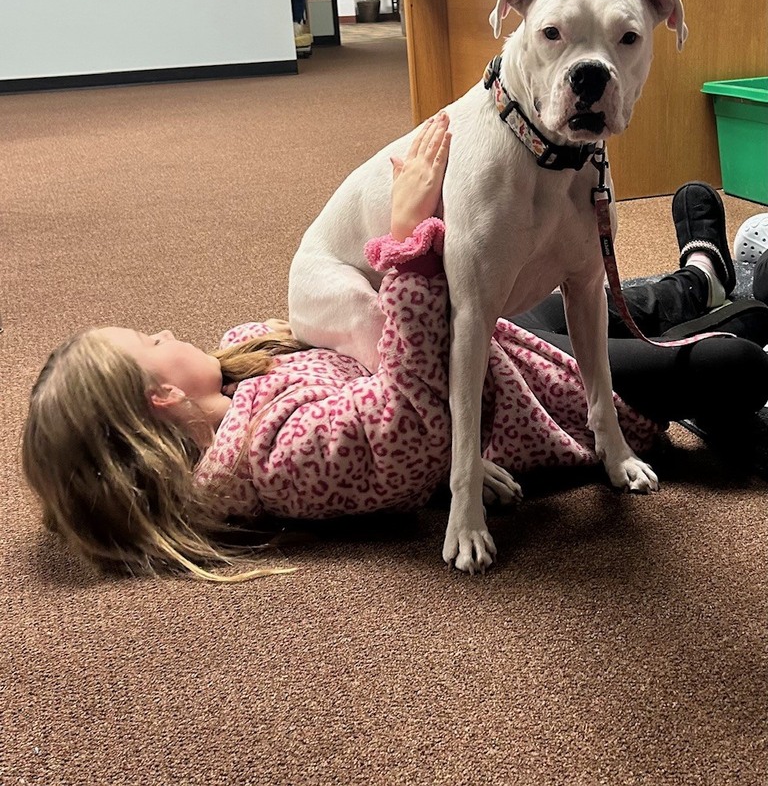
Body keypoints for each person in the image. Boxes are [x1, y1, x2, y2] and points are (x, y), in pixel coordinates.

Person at [22, 114, 768, 582]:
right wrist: (407, 242)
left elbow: (350, 325)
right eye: (150, 341)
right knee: (731, 356)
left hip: (499, 336)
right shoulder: (279, 460)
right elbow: (415, 425)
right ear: (162, 396)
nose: (165, 331)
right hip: (547, 404)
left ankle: (697, 273)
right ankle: (719, 328)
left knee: (599, 291)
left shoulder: (244, 359)